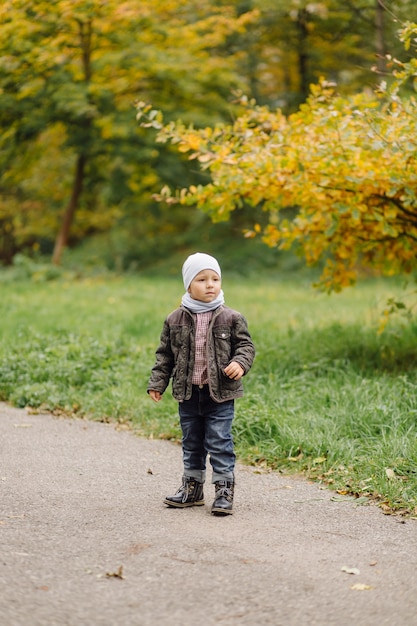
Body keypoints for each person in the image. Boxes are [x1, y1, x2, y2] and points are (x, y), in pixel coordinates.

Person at [147, 252, 255, 516]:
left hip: (219, 394)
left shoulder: (231, 317)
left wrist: (240, 363)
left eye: (215, 279)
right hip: (188, 394)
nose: (210, 284)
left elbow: (246, 346)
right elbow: (165, 355)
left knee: (219, 441)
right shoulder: (175, 320)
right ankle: (193, 488)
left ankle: (224, 491)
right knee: (192, 442)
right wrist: (158, 383)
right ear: (188, 285)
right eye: (202, 279)